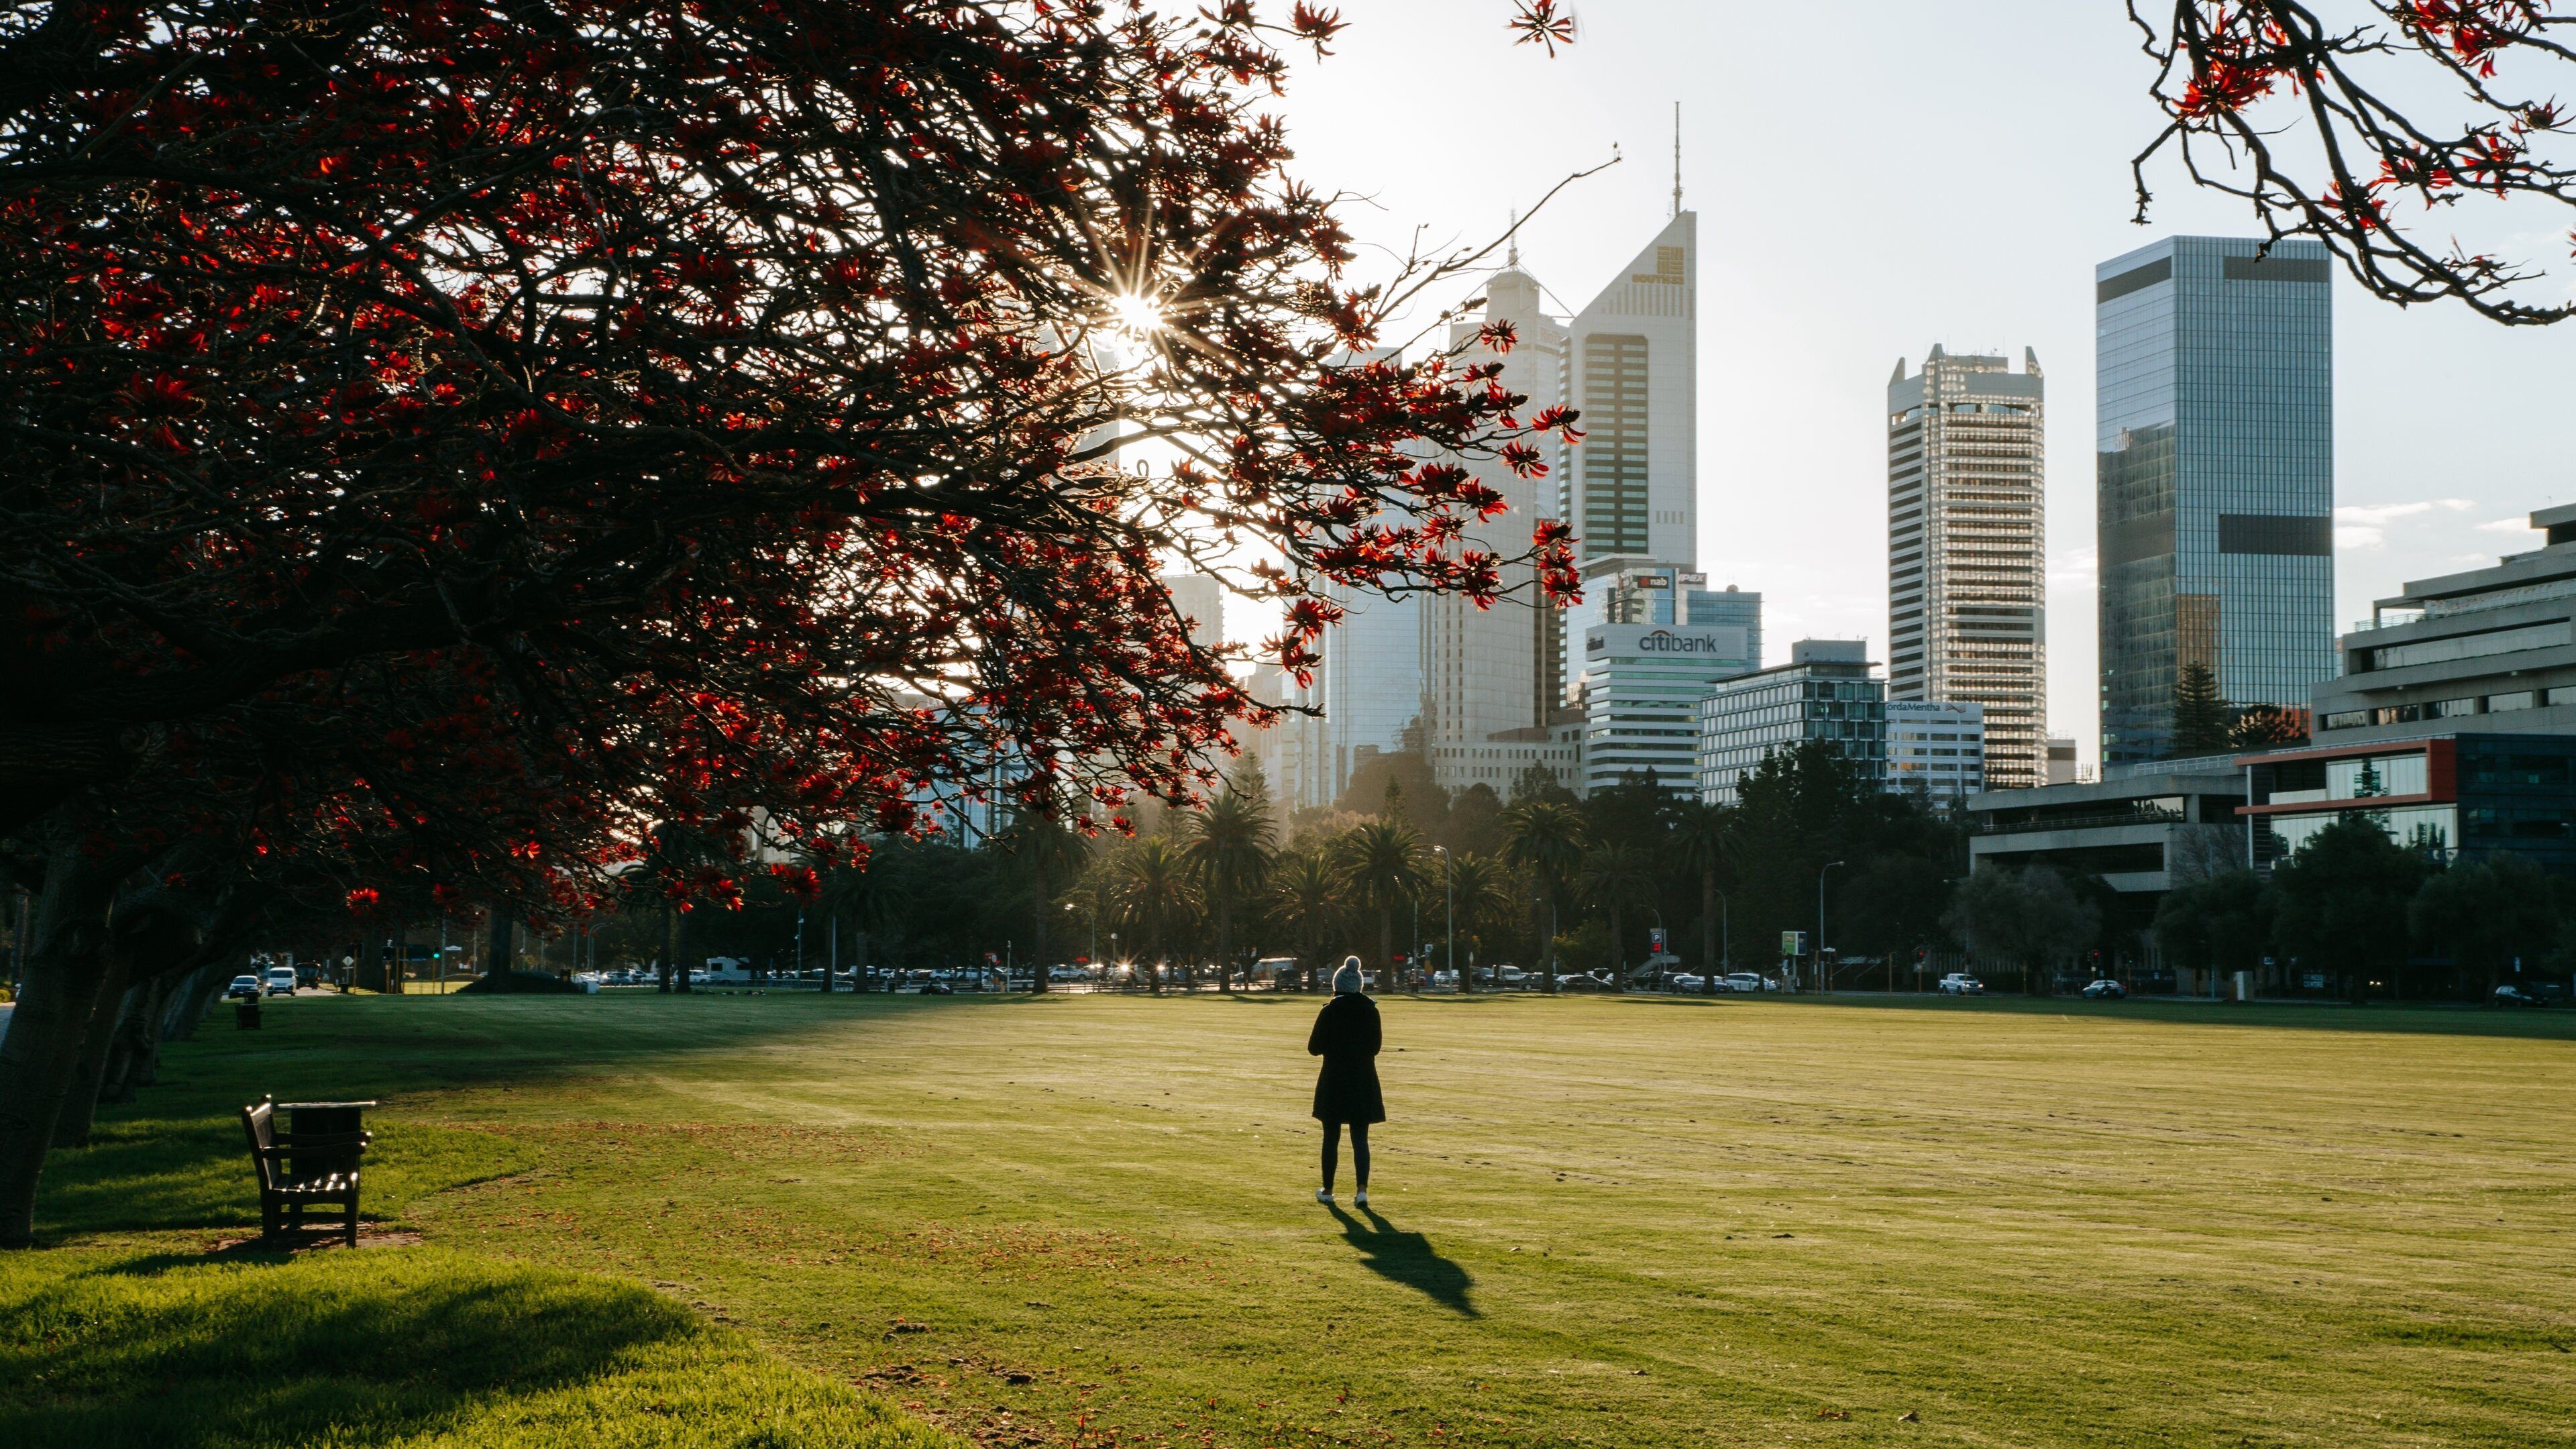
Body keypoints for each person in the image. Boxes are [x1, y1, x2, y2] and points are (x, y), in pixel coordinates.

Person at [1308, 957, 1385, 1205]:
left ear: (1337, 985)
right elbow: (1375, 1048)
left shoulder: (1330, 1011)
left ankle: (1329, 1190)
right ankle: (1362, 1190)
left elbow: (1314, 1048)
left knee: (1331, 1138)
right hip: (1363, 1079)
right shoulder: (1371, 1011)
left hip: (1334, 1079)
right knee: (1360, 1138)